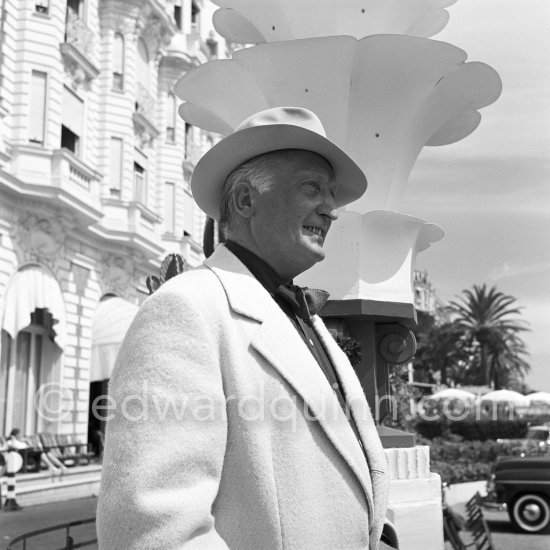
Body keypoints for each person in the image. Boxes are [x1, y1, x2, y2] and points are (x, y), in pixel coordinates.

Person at [97, 107, 398, 549]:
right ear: (244, 200)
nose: (331, 209)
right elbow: (153, 531)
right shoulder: (185, 309)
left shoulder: (301, 316)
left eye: (331, 193)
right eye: (312, 187)